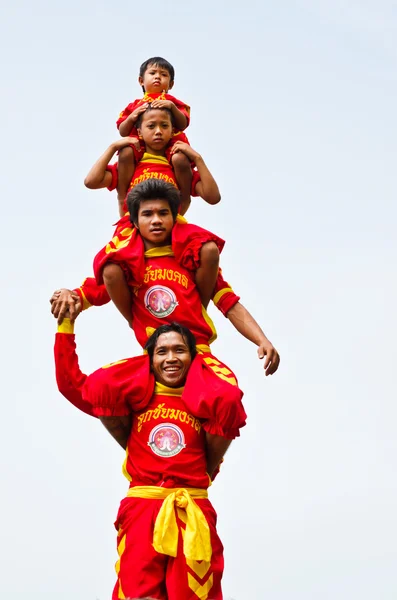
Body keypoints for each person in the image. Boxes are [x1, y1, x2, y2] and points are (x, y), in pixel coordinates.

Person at [55, 320, 228, 599]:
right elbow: (71, 385)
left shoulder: (207, 401)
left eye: (179, 350)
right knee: (138, 596)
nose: (170, 358)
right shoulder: (135, 399)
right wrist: (66, 326)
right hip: (142, 509)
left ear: (193, 358)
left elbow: (215, 453)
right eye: (161, 352)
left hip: (192, 509)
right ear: (150, 359)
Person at [84, 105, 220, 217]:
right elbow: (90, 182)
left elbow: (213, 198)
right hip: (134, 232)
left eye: (164, 126)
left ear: (173, 131)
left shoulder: (178, 167)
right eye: (151, 126)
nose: (158, 131)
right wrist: (113, 147)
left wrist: (198, 158)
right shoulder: (130, 166)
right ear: (139, 132)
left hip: (170, 232)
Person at [116, 56, 193, 214]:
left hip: (169, 145)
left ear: (171, 84)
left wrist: (171, 107)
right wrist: (132, 116)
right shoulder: (134, 106)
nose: (158, 76)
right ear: (141, 81)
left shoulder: (174, 102)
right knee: (125, 152)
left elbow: (183, 123)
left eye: (164, 74)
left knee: (180, 159)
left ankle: (184, 199)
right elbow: (123, 131)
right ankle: (122, 196)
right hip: (140, 145)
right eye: (152, 73)